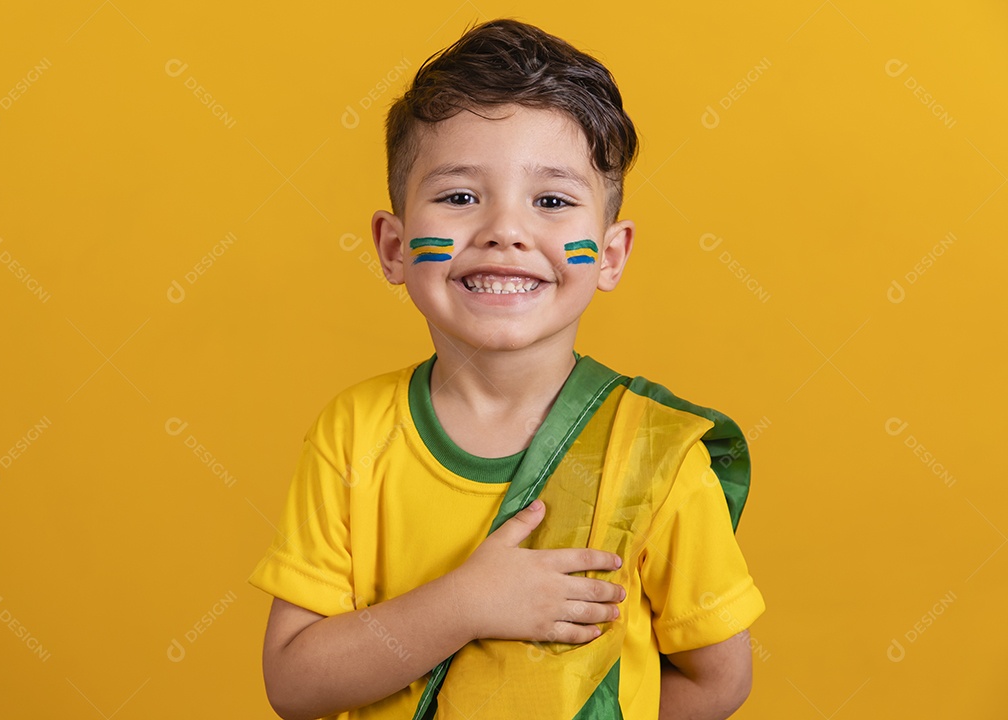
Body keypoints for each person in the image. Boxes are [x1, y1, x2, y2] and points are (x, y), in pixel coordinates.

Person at [249, 18, 765, 720]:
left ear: (610, 254)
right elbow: (295, 684)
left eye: (551, 201)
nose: (505, 231)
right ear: (394, 247)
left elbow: (718, 681)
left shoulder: (656, 456)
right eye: (460, 197)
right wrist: (464, 603)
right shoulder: (354, 432)